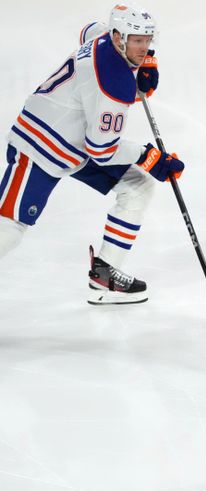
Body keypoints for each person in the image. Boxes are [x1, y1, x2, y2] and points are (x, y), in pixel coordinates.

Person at [0, 3, 184, 305]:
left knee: (137, 186)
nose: (143, 46)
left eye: (147, 40)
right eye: (137, 41)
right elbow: (103, 150)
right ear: (118, 37)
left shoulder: (104, 38)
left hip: (75, 143)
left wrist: (146, 61)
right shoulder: (114, 82)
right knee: (9, 227)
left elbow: (89, 29)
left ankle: (105, 275)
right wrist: (150, 158)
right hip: (40, 145)